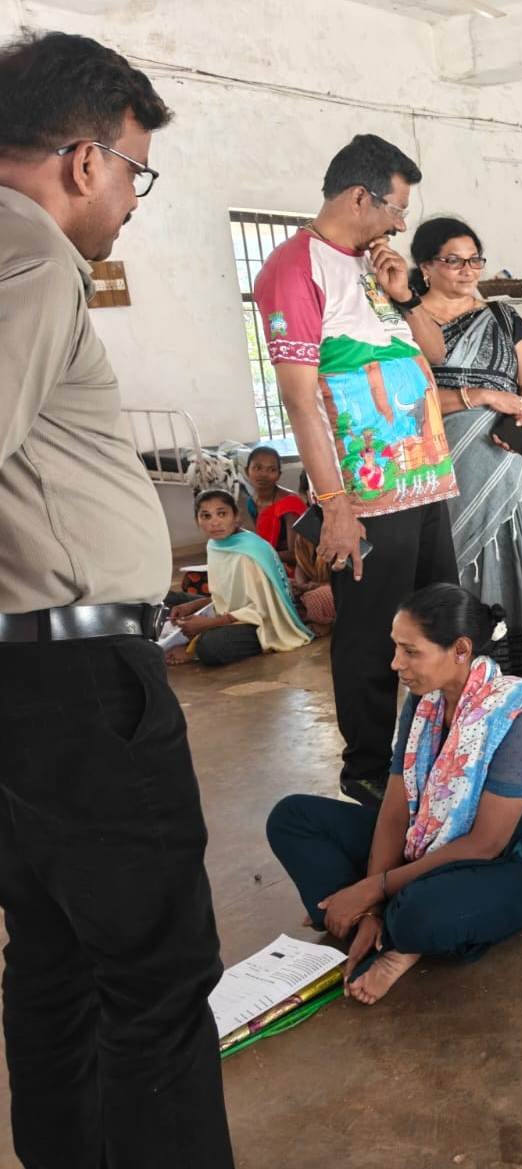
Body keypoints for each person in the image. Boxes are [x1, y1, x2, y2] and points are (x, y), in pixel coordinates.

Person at [0, 31, 235, 1166]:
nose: (137, 197)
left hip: (23, 679)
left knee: (52, 965)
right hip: (79, 679)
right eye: (139, 170)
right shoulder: (33, 254)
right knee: (156, 982)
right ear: (85, 160)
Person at [255, 133, 458, 806]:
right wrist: (335, 502)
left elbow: (433, 354)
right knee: (373, 639)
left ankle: (451, 740)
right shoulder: (294, 267)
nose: (401, 221)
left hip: (425, 483)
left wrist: (404, 294)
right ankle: (370, 768)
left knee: (441, 619)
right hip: (367, 497)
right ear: (358, 196)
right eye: (396, 207)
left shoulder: (375, 265)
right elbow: (298, 394)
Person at [267, 585, 522, 1005]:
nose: (396, 663)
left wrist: (375, 886)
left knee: (420, 912)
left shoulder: (519, 716)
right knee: (292, 817)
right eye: (396, 648)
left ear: (461, 649)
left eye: (411, 652)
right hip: (425, 840)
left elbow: (485, 844)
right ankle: (371, 920)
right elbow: (395, 809)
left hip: (508, 863)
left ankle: (394, 937)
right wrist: (375, 899)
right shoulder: (425, 701)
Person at [410, 216, 522, 703]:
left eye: (474, 259)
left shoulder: (501, 317)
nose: (466, 270)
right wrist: (480, 396)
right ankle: (461, 694)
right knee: (459, 569)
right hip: (448, 465)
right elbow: (410, 398)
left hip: (506, 464)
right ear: (425, 266)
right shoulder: (407, 323)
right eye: (453, 261)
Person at [166, 490, 314, 667]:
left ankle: (195, 648)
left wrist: (208, 625)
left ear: (236, 517)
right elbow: (227, 597)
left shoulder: (249, 553)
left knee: (210, 646)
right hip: (230, 612)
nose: (214, 522)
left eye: (222, 514)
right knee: (169, 599)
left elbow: (261, 610)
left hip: (262, 623)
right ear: (197, 521)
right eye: (206, 516)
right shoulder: (215, 544)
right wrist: (191, 606)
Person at [240, 444, 306, 564]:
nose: (264, 474)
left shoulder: (289, 504)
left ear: (278, 475)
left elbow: (297, 554)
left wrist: (260, 555)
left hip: (296, 567)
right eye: (258, 468)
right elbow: (264, 541)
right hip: (271, 559)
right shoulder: (252, 502)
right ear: (246, 471)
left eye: (271, 469)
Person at [291, 472, 337, 633]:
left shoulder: (347, 523)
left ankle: (322, 622)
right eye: (315, 492)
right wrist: (300, 585)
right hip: (311, 589)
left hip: (336, 591)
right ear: (305, 495)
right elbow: (300, 565)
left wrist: (314, 586)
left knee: (319, 598)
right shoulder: (306, 526)